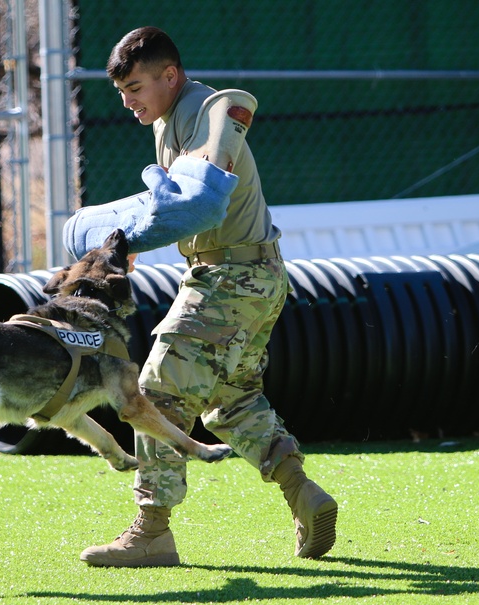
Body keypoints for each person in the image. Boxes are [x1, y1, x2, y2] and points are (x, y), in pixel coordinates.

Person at [77, 26, 338, 567]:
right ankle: (303, 494)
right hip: (254, 276)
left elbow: (208, 188)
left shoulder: (203, 108)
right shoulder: (169, 119)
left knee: (150, 394)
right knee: (232, 401)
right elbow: (175, 205)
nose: (128, 102)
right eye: (122, 92)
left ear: (169, 76)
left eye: (136, 87)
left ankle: (151, 532)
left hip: (229, 279)